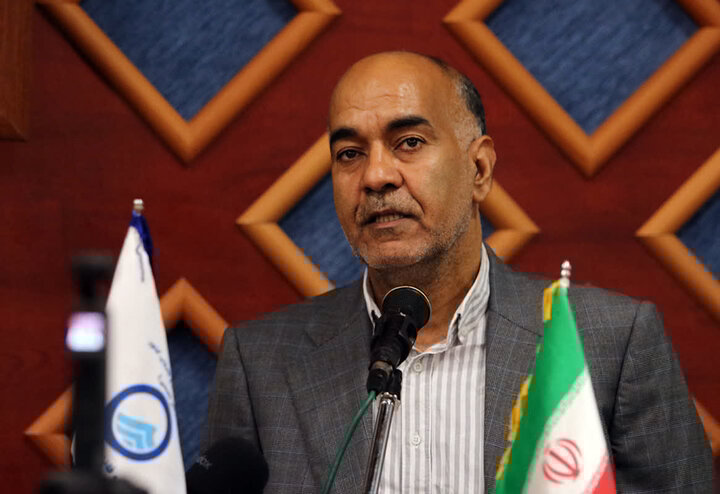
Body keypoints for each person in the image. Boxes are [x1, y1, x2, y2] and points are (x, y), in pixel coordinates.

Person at [207, 52, 713, 493]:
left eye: (409, 142)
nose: (375, 176)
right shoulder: (259, 364)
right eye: (350, 154)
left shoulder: (610, 345)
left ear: (480, 170)